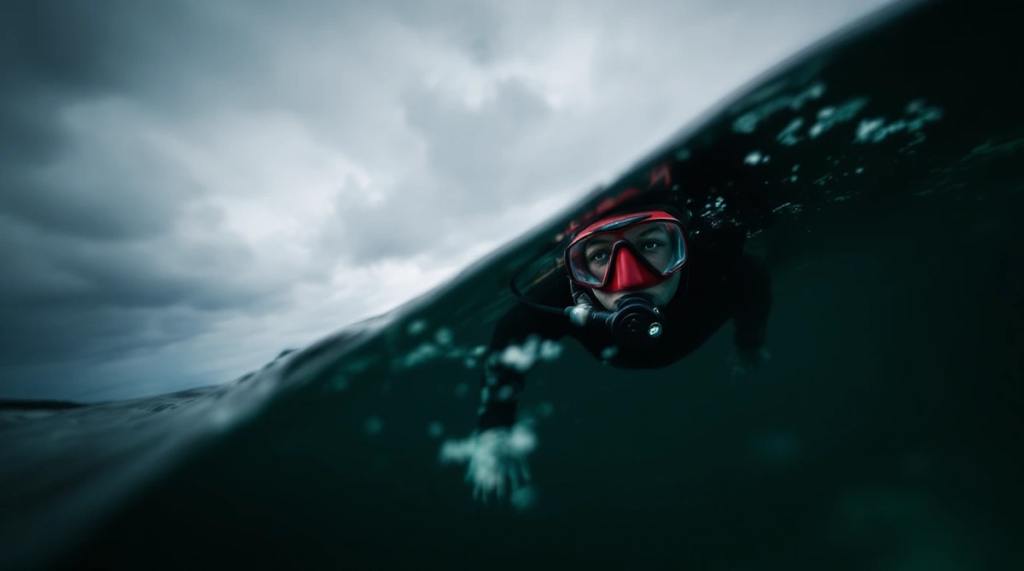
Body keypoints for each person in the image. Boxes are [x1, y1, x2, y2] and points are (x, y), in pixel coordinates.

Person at [453, 192, 773, 501]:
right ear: (578, 276)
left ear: (682, 247)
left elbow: (755, 288)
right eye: (601, 255)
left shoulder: (724, 268)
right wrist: (495, 427)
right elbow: (511, 334)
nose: (629, 277)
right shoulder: (559, 299)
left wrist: (749, 343)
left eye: (650, 244)